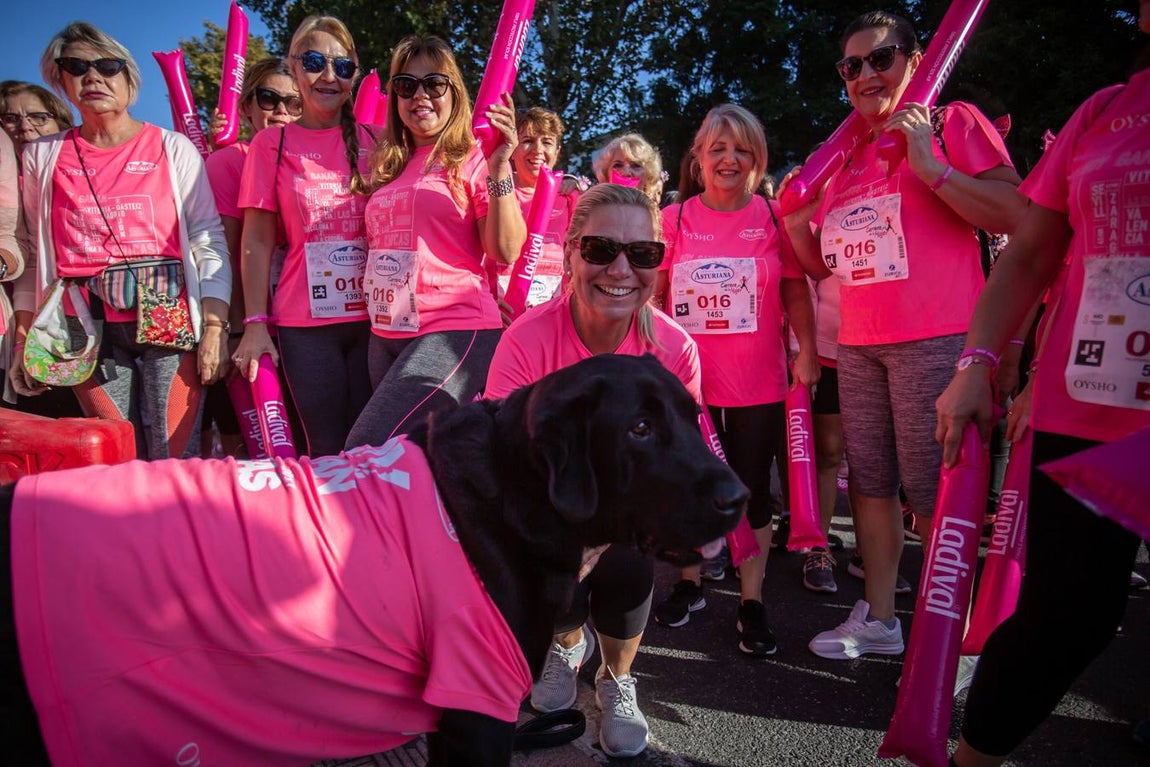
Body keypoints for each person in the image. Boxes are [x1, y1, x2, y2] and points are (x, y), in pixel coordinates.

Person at [937, 1, 1150, 762]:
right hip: (1092, 403)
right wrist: (978, 364)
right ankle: (973, 756)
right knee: (1070, 614)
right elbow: (1027, 256)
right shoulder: (1105, 112)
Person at [782, 10, 1025, 659]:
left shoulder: (953, 122)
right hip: (860, 343)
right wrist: (800, 224)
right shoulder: (844, 155)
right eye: (851, 65)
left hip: (941, 337)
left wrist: (931, 165)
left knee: (936, 494)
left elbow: (1018, 215)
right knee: (870, 483)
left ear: (917, 61)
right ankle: (882, 618)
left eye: (880, 58)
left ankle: (956, 636)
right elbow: (820, 266)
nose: (865, 74)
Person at [485, 182, 698, 758]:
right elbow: (503, 461)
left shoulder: (674, 349)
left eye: (643, 253)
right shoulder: (526, 338)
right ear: (571, 250)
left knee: (630, 553)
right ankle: (566, 639)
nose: (621, 269)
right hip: (549, 502)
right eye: (602, 249)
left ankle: (616, 677)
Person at [9, 22, 230, 459]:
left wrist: (214, 329)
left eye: (107, 66)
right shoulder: (43, 155)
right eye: (76, 66)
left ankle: (178, 528)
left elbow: (209, 239)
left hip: (169, 316)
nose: (93, 77)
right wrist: (22, 340)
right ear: (61, 80)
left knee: (174, 457)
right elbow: (33, 256)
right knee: (116, 457)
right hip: (83, 328)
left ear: (128, 78)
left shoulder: (173, 147)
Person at [651, 104, 818, 657]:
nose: (729, 158)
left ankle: (751, 600)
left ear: (757, 159)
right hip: (688, 384)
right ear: (698, 159)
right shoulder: (674, 219)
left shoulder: (774, 216)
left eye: (741, 149)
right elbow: (657, 294)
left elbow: (795, 289)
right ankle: (691, 583)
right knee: (686, 488)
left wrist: (808, 350)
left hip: (758, 382)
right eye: (717, 148)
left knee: (753, 494)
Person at [344, 35, 525, 448]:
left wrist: (500, 167)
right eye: (406, 86)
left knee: (365, 449)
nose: (419, 95)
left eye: (433, 84)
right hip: (385, 334)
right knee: (410, 463)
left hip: (452, 330)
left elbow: (505, 249)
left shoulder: (475, 157)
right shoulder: (388, 166)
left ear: (454, 93)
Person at [234, 16, 374, 457]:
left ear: (355, 70)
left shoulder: (378, 140)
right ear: (294, 69)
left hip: (378, 323)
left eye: (341, 66)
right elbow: (255, 240)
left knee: (377, 446)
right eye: (314, 62)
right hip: (306, 327)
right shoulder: (270, 144)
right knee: (328, 450)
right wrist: (255, 325)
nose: (328, 76)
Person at [203, 57, 302, 457]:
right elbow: (229, 251)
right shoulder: (229, 162)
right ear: (246, 106)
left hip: (308, 330)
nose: (281, 111)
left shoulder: (312, 162)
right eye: (269, 98)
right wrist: (240, 329)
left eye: (294, 102)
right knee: (265, 451)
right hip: (254, 331)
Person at [1, 81, 83, 417]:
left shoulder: (74, 177)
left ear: (61, 122)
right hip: (15, 319)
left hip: (73, 319)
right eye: (9, 118)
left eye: (38, 116)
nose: (24, 126)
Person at [486, 106, 576, 309]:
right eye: (527, 141)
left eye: (547, 142)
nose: (538, 150)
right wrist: (487, 305)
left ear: (557, 151)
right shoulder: (495, 191)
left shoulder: (570, 196)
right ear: (512, 149)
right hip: (501, 314)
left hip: (554, 313)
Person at [592, 133, 665, 205]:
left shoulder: (657, 216)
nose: (626, 172)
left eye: (636, 165)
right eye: (618, 165)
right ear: (606, 175)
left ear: (649, 174)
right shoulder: (593, 214)